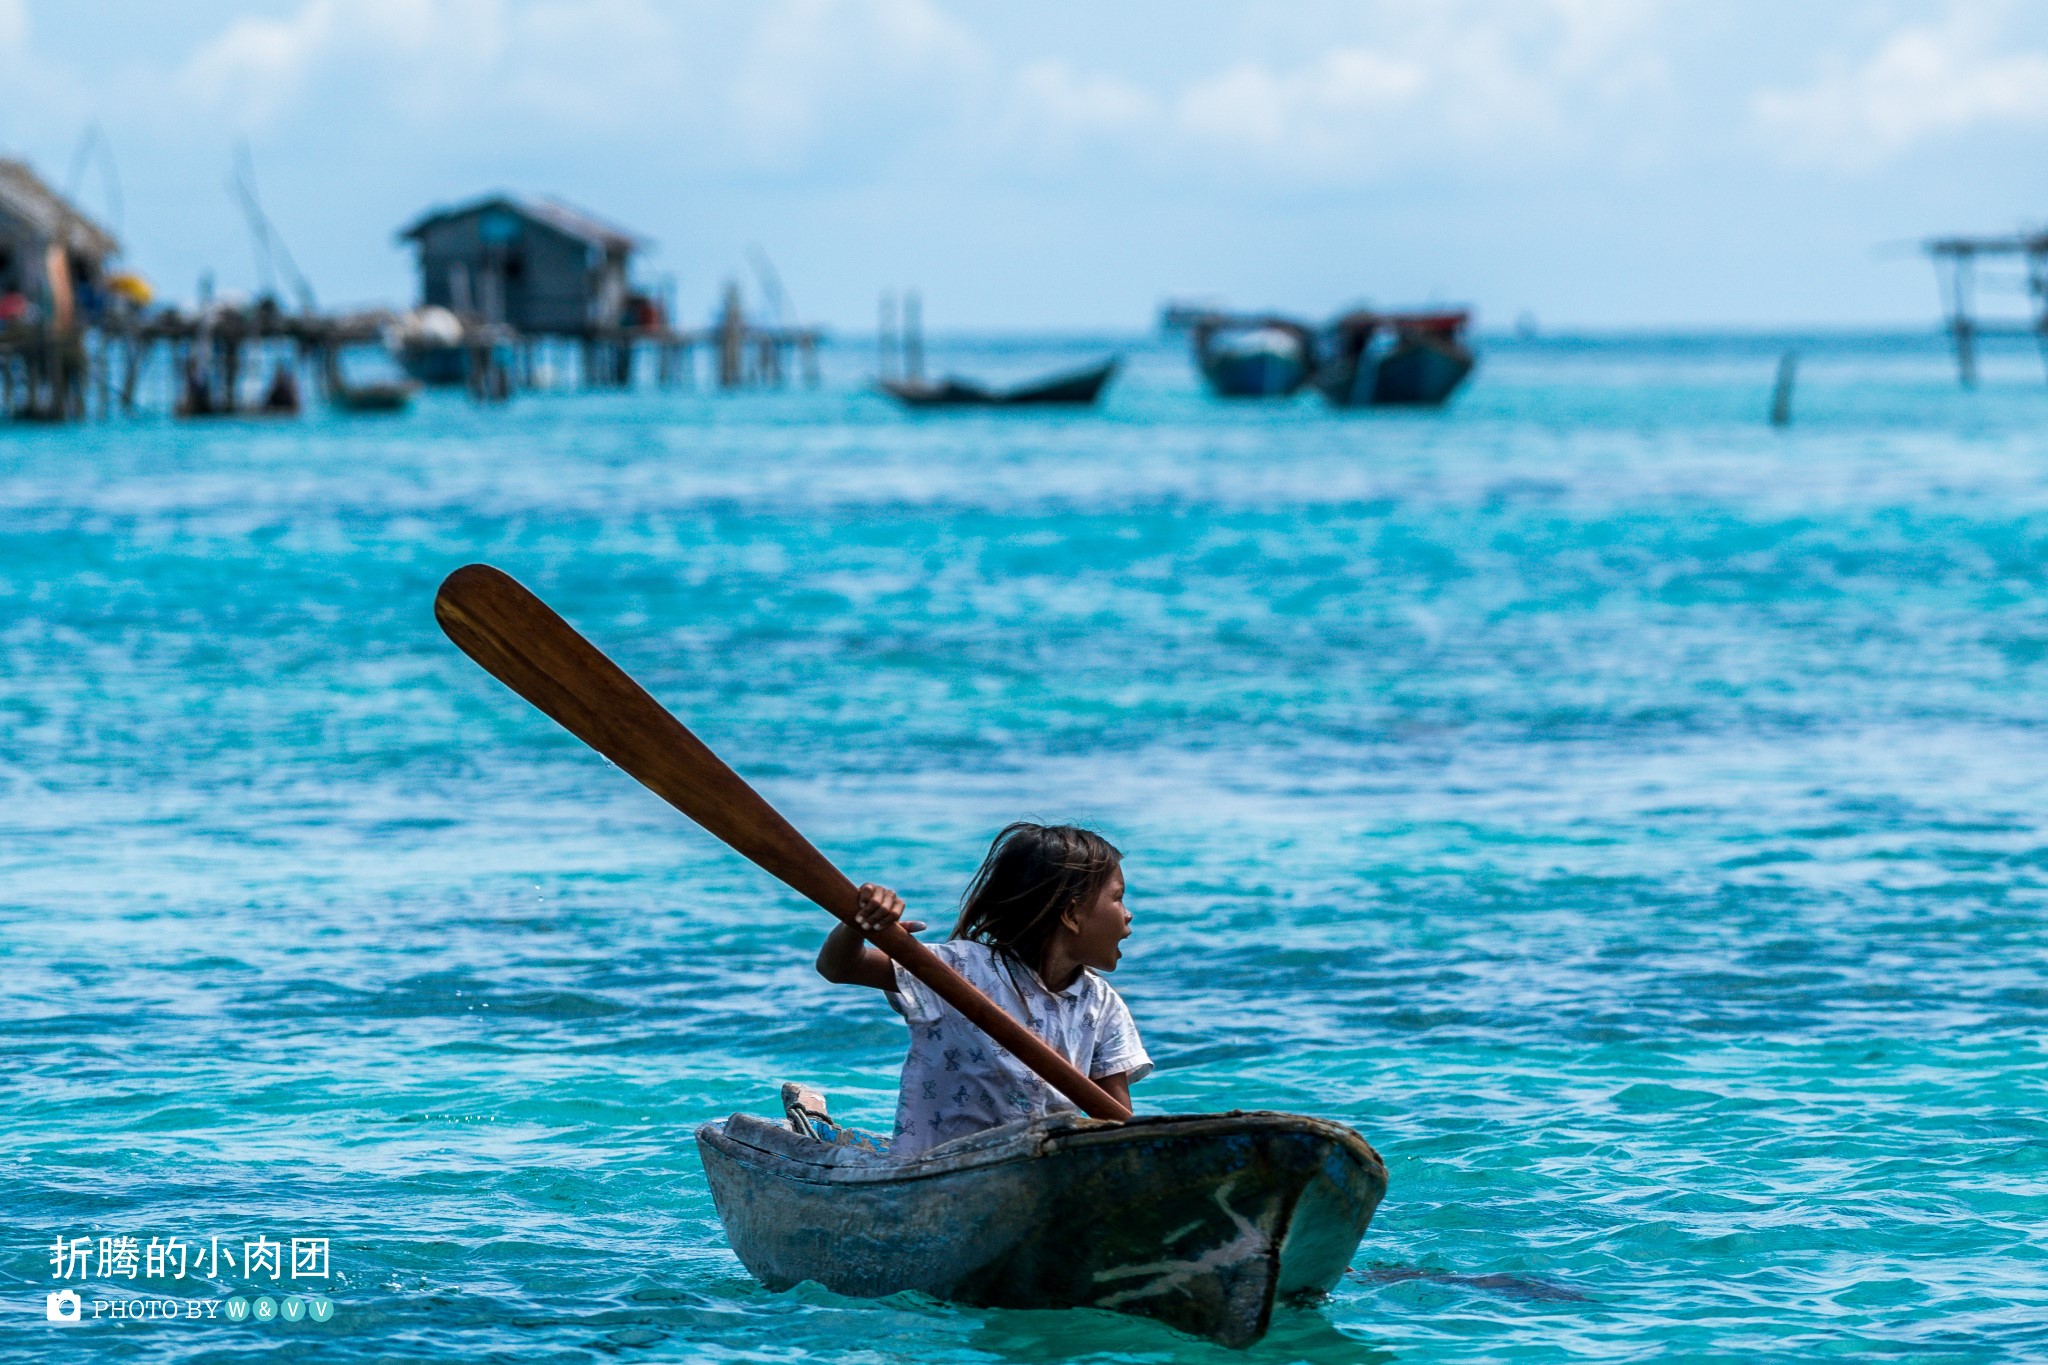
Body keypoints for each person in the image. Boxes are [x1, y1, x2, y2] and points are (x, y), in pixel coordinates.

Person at [815, 822, 1151, 1158]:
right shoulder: (959, 970)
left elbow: (1117, 1126)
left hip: (1034, 1176)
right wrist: (856, 924)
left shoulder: (1103, 1005)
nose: (1128, 914)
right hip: (933, 1171)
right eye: (1118, 898)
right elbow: (839, 967)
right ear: (1072, 914)